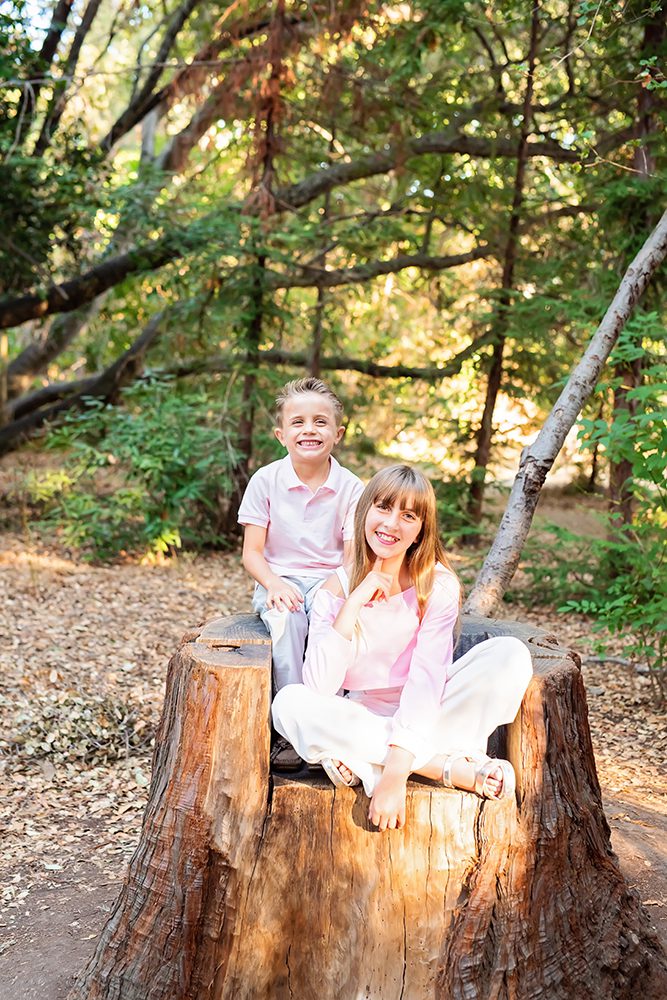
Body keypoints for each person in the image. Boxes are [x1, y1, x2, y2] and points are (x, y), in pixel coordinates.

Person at [272, 464, 533, 831]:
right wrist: (353, 602)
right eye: (383, 508)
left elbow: (426, 682)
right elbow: (318, 688)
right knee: (289, 703)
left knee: (510, 655)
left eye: (408, 515)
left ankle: (366, 763)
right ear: (365, 513)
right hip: (363, 716)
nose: (391, 524)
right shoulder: (336, 589)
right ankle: (448, 767)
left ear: (421, 530)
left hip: (433, 710)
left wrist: (393, 776)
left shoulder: (437, 586)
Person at [238, 377, 364, 771]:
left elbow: (352, 557)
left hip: (333, 579)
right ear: (281, 434)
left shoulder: (352, 487)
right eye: (298, 422)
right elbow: (252, 554)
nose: (309, 429)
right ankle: (291, 731)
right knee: (289, 620)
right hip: (282, 580)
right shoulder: (266, 481)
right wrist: (274, 584)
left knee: (336, 628)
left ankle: (333, 723)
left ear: (338, 433)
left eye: (320, 422)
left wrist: (333, 590)